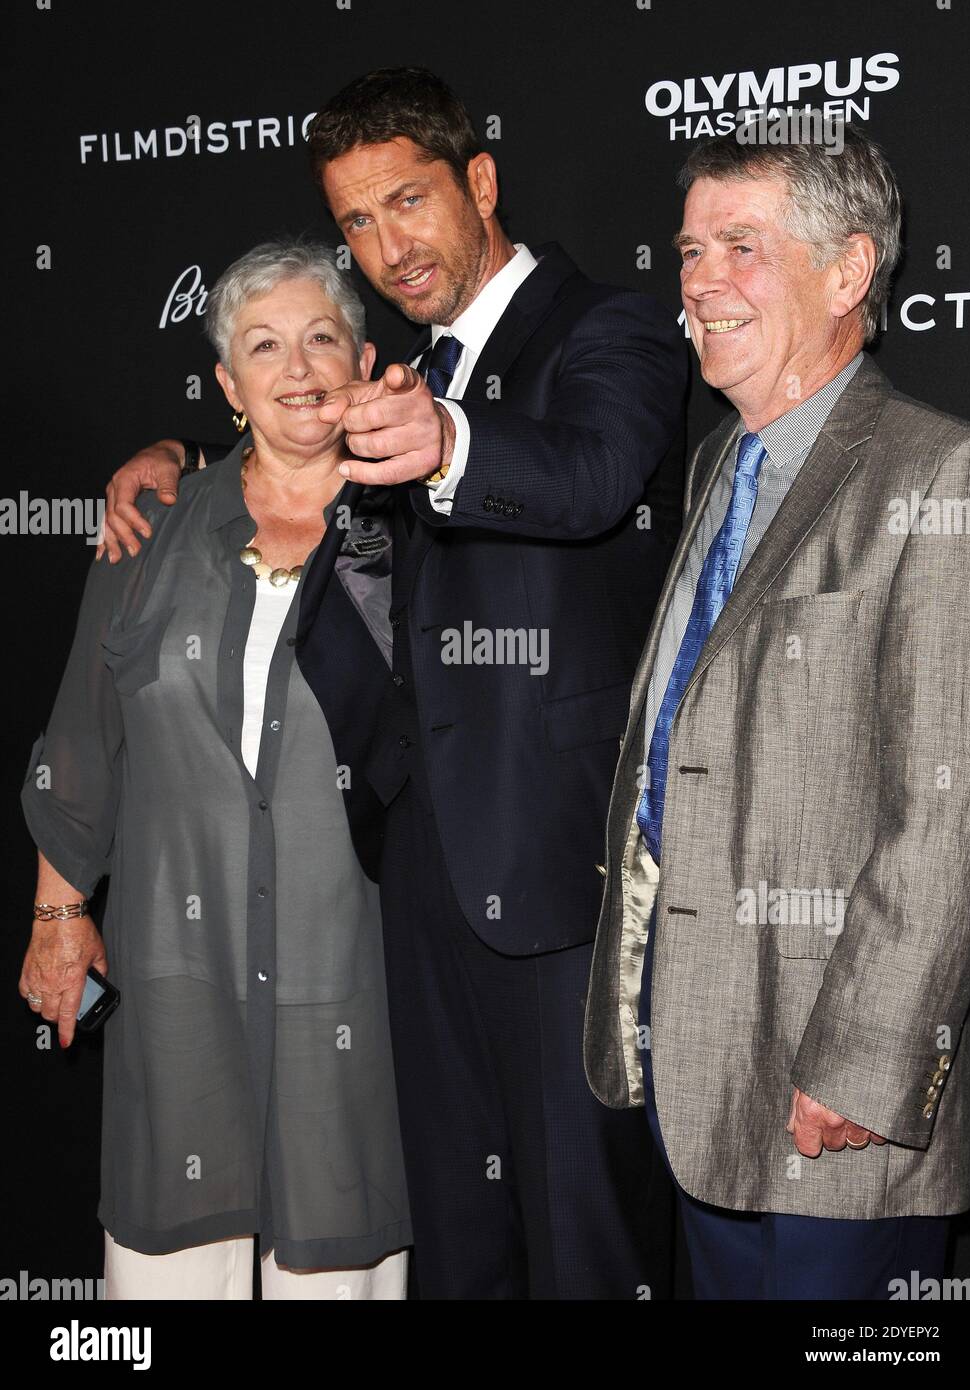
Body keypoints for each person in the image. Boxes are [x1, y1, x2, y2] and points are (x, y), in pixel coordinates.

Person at [97, 67, 687, 1299]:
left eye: (406, 203)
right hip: (411, 902)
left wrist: (455, 443)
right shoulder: (413, 370)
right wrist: (182, 456)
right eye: (357, 221)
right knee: (460, 1262)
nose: (385, 245)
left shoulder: (606, 327)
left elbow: (591, 469)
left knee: (587, 1254)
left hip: (556, 889)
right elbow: (300, 450)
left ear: (479, 183)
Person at [583, 119, 970, 1299]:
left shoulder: (945, 476)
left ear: (849, 272)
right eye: (691, 248)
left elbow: (955, 811)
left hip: (838, 1094)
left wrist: (870, 1062)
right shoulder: (721, 464)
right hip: (710, 1072)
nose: (700, 280)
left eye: (740, 246)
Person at [20, 241, 411, 1300]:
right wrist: (59, 920)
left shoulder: (418, 531)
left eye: (321, 337)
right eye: (263, 346)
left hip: (354, 971)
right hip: (174, 968)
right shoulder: (152, 528)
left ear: (365, 359)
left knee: (341, 1256)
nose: (297, 366)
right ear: (229, 387)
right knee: (168, 1264)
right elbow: (80, 738)